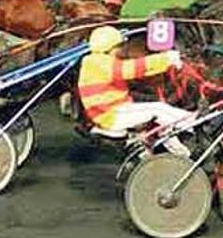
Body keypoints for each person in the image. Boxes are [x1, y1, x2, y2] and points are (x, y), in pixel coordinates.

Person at [77, 25, 191, 156]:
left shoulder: (94, 60)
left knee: (162, 122)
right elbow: (132, 69)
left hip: (111, 111)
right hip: (112, 115)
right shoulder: (100, 63)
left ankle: (183, 154)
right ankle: (192, 122)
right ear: (110, 48)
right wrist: (166, 58)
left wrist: (166, 63)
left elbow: (143, 72)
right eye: (119, 47)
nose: (120, 51)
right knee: (158, 109)